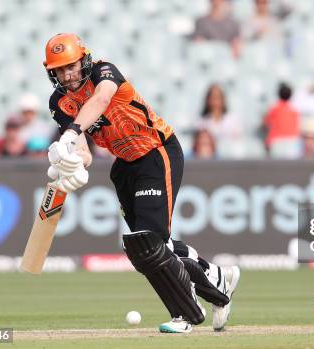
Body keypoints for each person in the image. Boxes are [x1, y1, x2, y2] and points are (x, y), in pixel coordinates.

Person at [42, 33, 240, 333]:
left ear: (83, 60)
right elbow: (84, 152)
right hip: (124, 165)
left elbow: (101, 100)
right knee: (146, 246)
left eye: (71, 65)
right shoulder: (60, 103)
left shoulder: (103, 72)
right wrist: (71, 163)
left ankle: (185, 312)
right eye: (60, 69)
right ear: (52, 73)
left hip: (156, 151)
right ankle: (216, 279)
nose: (68, 74)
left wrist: (70, 133)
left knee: (150, 241)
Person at [196, 83, 244, 158]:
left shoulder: (233, 120)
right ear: (208, 100)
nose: (215, 100)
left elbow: (237, 141)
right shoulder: (201, 122)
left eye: (218, 97)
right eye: (213, 97)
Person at [263, 82, 300, 158]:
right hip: (292, 141)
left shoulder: (274, 109)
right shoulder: (294, 110)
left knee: (277, 168)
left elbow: (266, 123)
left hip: (277, 141)